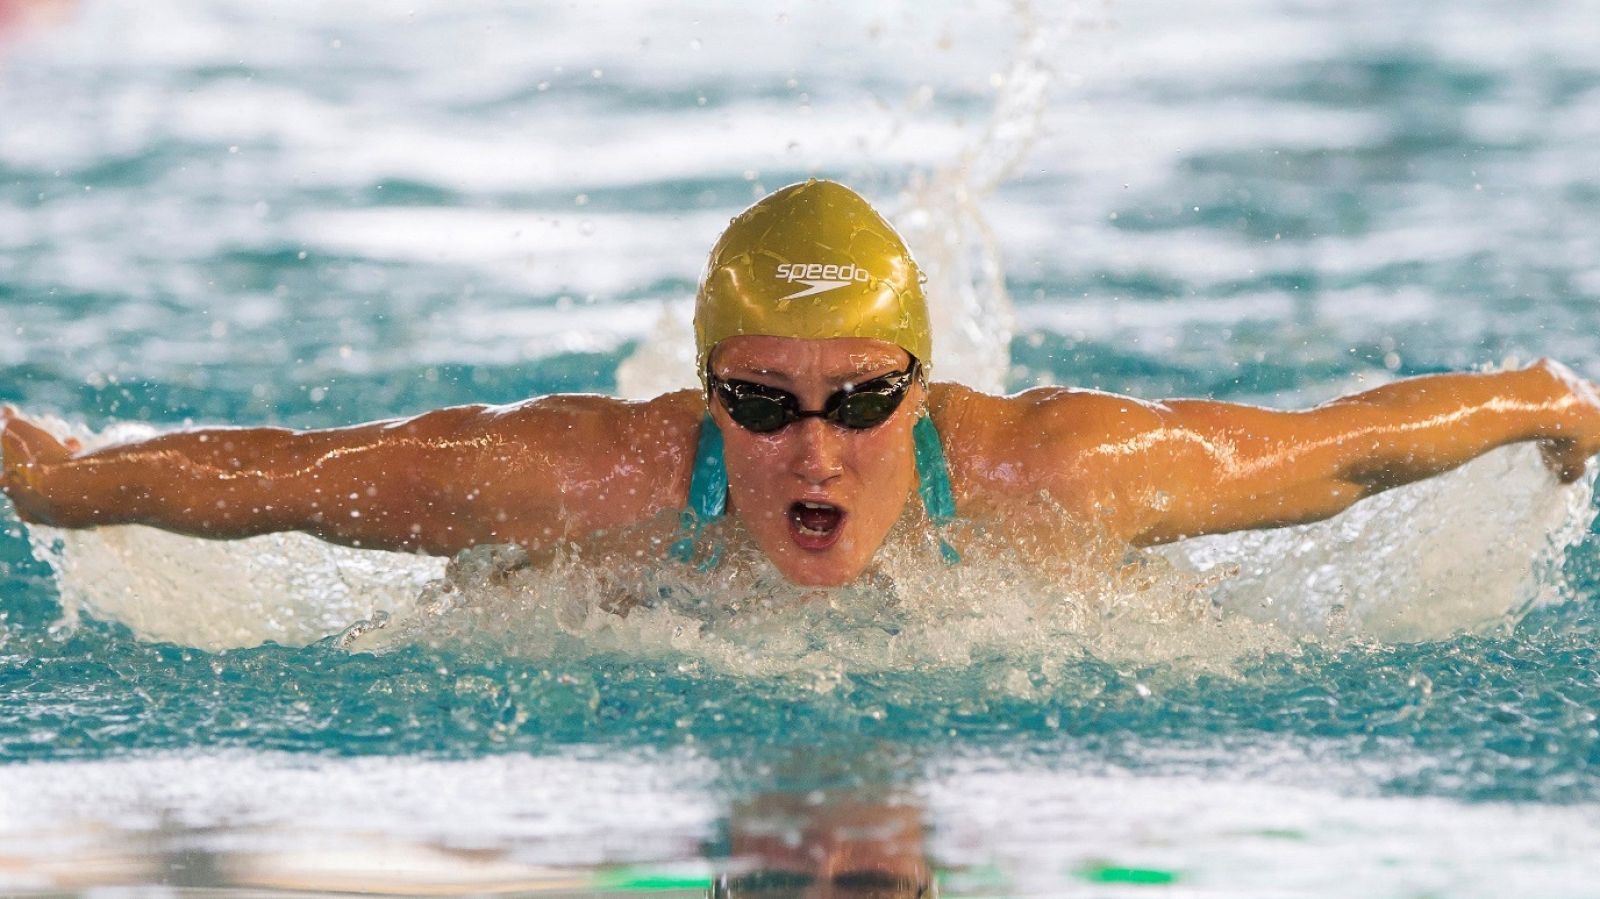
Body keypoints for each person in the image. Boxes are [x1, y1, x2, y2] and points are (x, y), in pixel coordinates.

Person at [4, 179, 1599, 588]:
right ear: (706, 400)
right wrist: (63, 481)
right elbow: (292, 477)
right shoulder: (589, 484)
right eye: (760, 406)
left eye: (861, 401)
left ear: (925, 389)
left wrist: (1546, 398)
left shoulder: (1066, 475)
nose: (812, 448)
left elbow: (1332, 449)